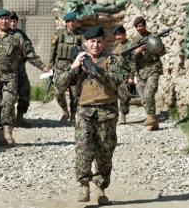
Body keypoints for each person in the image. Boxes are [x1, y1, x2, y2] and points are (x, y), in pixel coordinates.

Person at [58, 26, 124, 205]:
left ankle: (101, 189)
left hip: (107, 112)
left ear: (103, 43)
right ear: (86, 43)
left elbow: (117, 80)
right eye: (92, 42)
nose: (95, 45)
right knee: (83, 148)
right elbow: (60, 84)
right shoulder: (79, 61)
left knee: (105, 152)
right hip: (84, 112)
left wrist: (96, 69)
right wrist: (75, 67)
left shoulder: (111, 60)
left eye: (99, 42)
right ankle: (84, 185)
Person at [0, 9, 47, 146]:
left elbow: (30, 54)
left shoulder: (17, 37)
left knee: (8, 104)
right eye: (1, 19)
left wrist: (43, 67)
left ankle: (8, 133)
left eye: (6, 19)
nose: (4, 21)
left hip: (10, 79)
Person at [9, 11, 49, 126]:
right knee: (8, 96)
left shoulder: (20, 35)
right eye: (11, 21)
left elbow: (29, 53)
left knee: (25, 92)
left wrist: (42, 67)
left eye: (15, 21)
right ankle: (7, 119)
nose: (12, 24)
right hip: (5, 72)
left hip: (20, 70)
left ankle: (20, 117)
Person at [131, 16, 166, 131]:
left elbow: (162, 52)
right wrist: (137, 52)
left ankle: (151, 117)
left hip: (153, 68)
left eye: (140, 26)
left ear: (145, 25)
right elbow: (129, 58)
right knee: (143, 97)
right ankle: (153, 122)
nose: (139, 28)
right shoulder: (135, 41)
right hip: (140, 71)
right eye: (136, 26)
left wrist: (155, 45)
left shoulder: (153, 37)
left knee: (149, 93)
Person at [49, 12, 83, 123]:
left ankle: (73, 116)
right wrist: (50, 66)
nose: (72, 23)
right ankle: (65, 112)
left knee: (74, 95)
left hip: (74, 69)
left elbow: (84, 52)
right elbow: (53, 51)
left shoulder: (80, 36)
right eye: (70, 21)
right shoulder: (59, 34)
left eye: (74, 21)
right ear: (66, 23)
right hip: (60, 69)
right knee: (58, 92)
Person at [111, 25, 134, 124]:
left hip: (125, 74)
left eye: (120, 35)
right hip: (114, 74)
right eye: (116, 35)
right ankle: (114, 115)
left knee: (123, 96)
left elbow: (133, 62)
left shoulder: (130, 45)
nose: (118, 37)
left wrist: (131, 77)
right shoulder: (116, 45)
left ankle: (123, 115)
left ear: (124, 34)